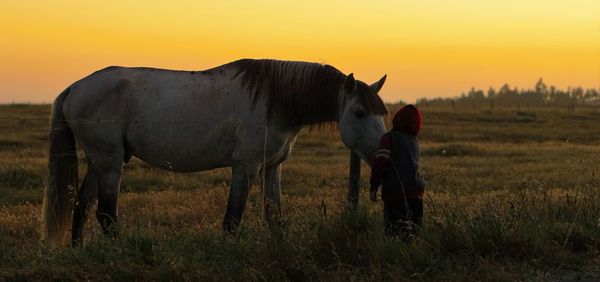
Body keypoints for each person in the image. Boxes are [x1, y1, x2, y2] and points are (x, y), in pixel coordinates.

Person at [369, 104, 425, 241]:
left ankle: (394, 259)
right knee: (413, 236)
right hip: (416, 195)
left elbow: (380, 163)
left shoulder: (388, 138)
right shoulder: (414, 143)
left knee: (393, 234)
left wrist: (374, 186)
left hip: (394, 194)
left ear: (397, 119)